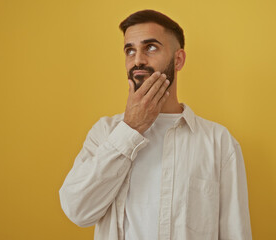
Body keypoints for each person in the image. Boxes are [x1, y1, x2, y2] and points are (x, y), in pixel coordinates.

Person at [59, 9, 252, 240]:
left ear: (178, 59)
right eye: (130, 50)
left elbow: (235, 233)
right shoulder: (104, 133)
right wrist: (130, 128)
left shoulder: (219, 143)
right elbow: (77, 211)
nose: (138, 59)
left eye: (150, 47)